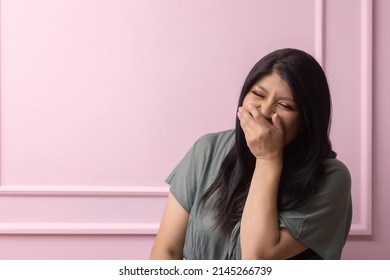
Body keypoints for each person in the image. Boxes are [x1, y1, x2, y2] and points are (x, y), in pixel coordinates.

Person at [149, 48, 352, 260]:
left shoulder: (331, 177)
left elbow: (257, 257)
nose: (264, 111)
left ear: (306, 121)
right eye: (257, 94)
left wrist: (268, 159)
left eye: (284, 105)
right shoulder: (207, 150)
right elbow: (166, 251)